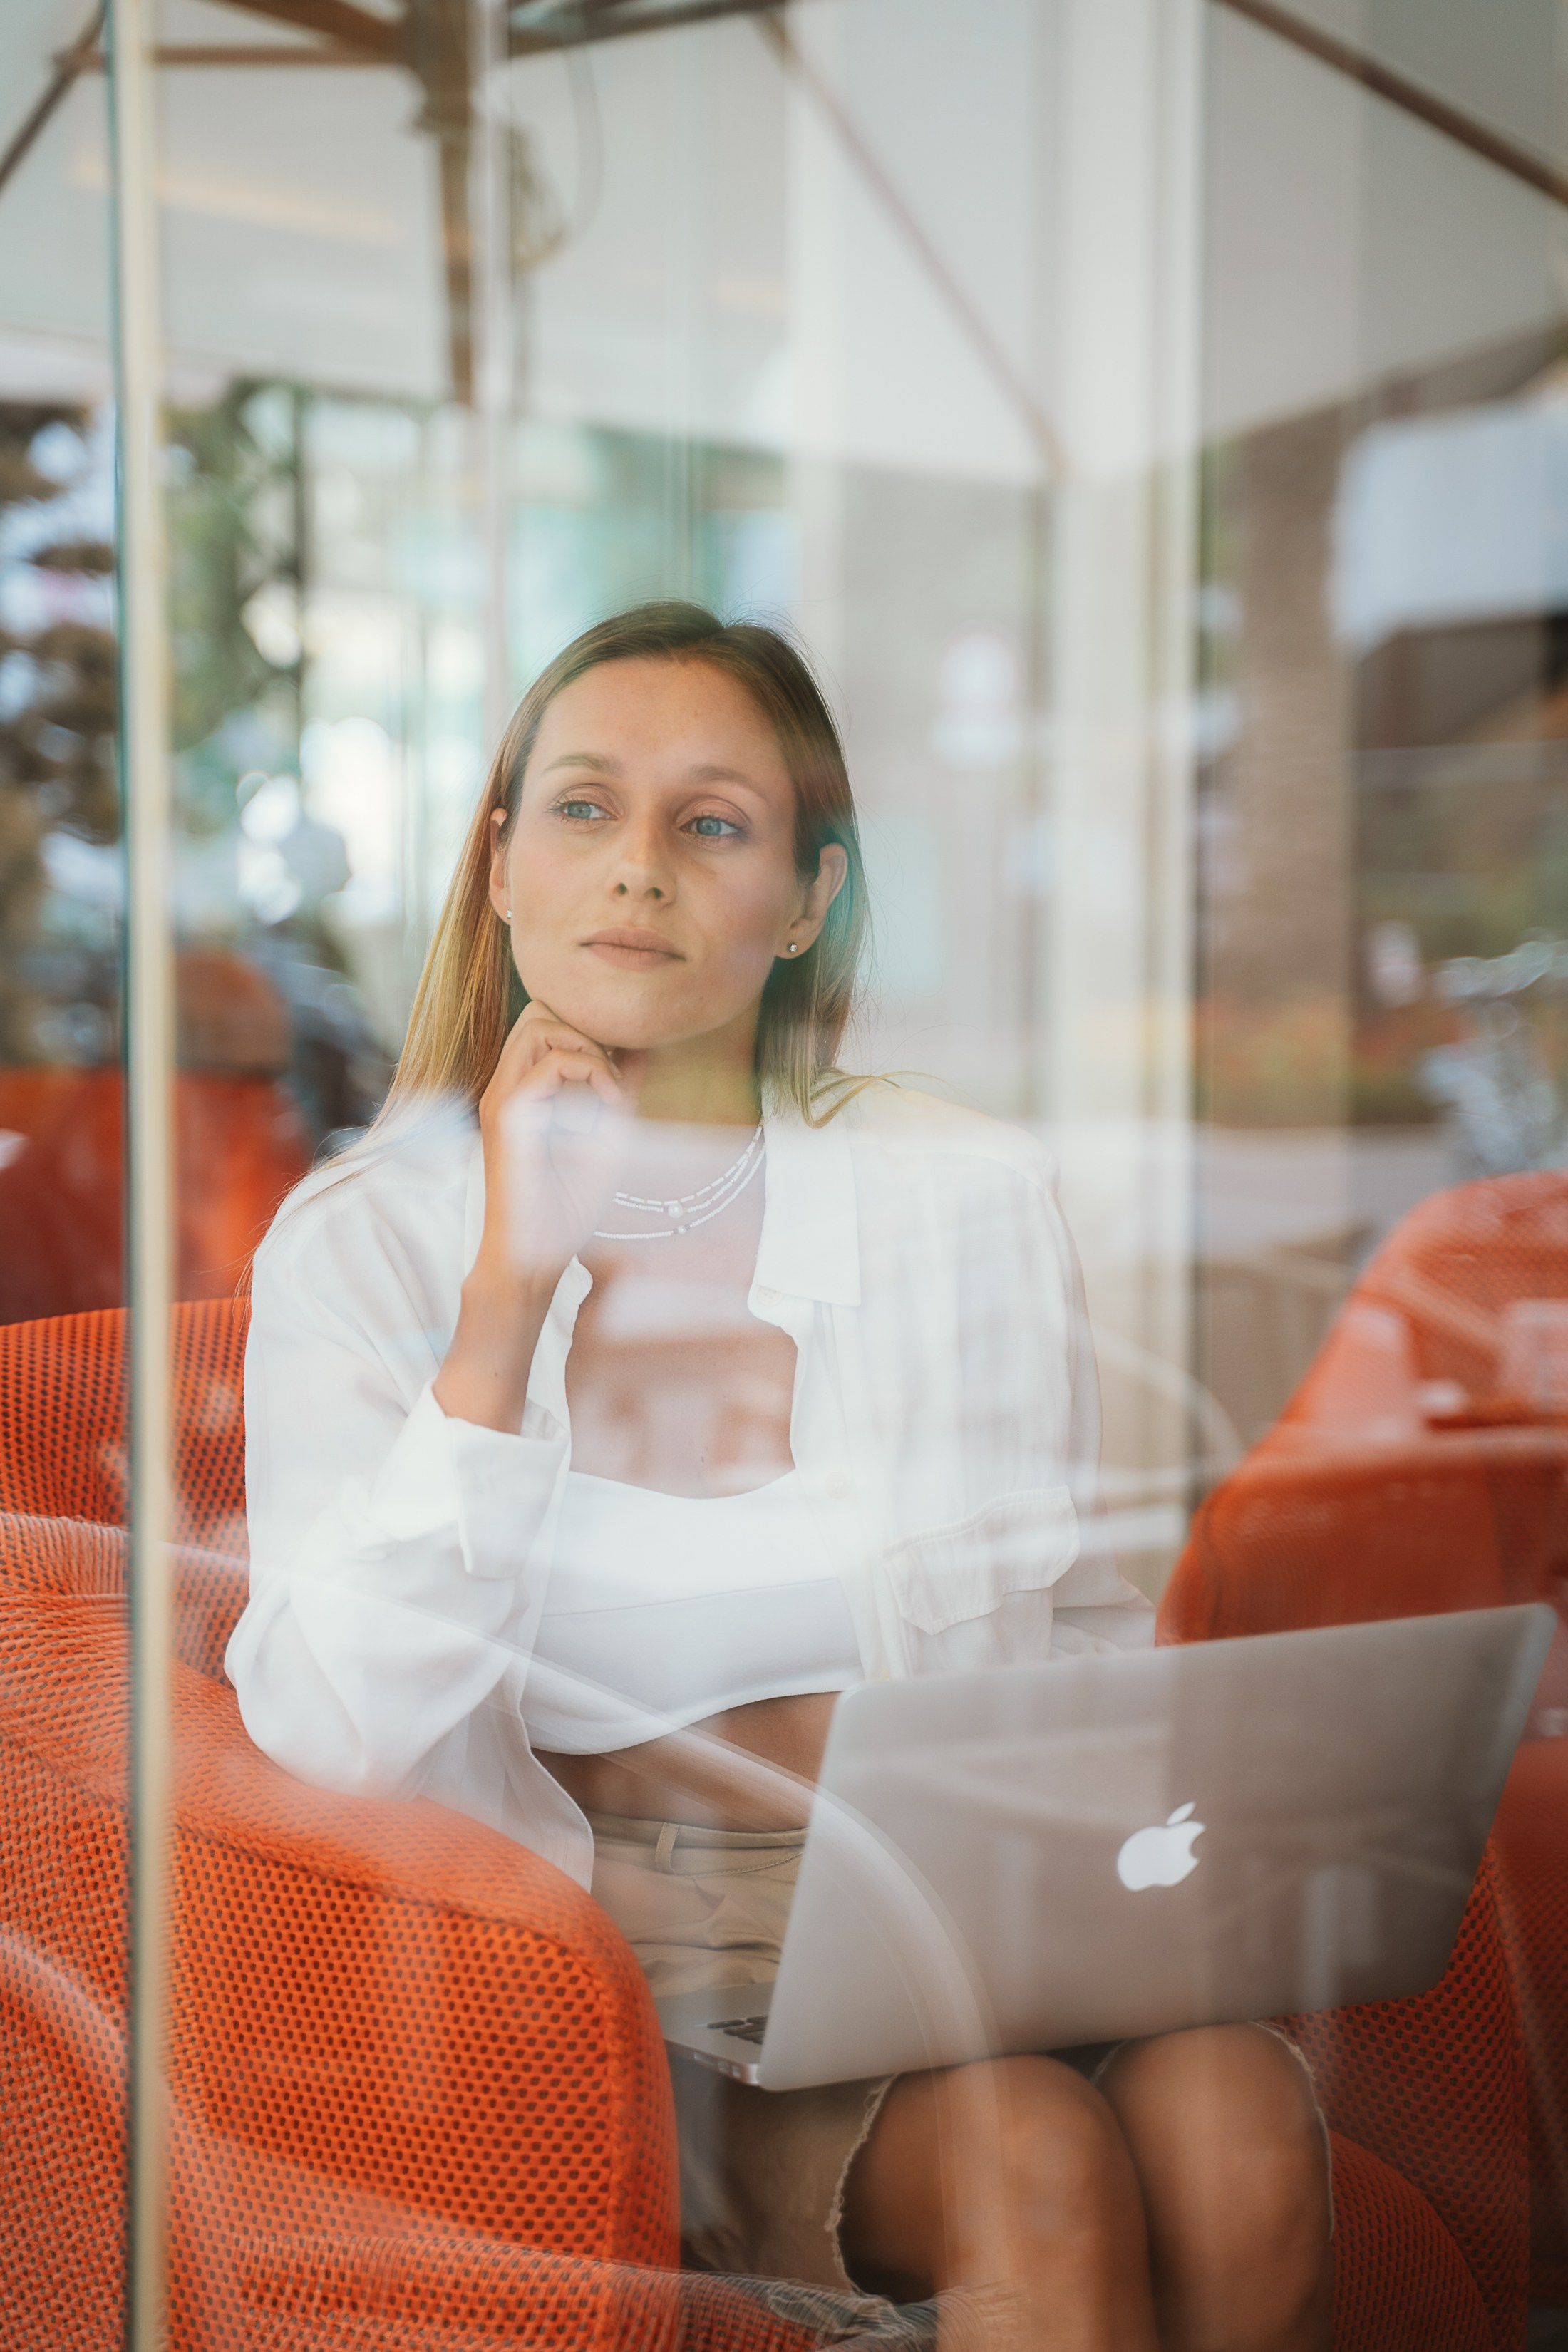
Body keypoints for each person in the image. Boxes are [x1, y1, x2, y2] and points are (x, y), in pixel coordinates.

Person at [228, 603, 1331, 2351]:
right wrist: (510, 1290)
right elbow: (327, 1726)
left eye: (713, 822)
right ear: (500, 865)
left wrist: (1141, 1854)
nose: (640, 871)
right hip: (630, 1966)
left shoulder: (961, 1193)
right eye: (584, 810)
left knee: (1241, 2129)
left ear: (806, 899)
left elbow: (1076, 1618)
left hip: (970, 1905)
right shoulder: (368, 1248)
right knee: (1028, 2161)